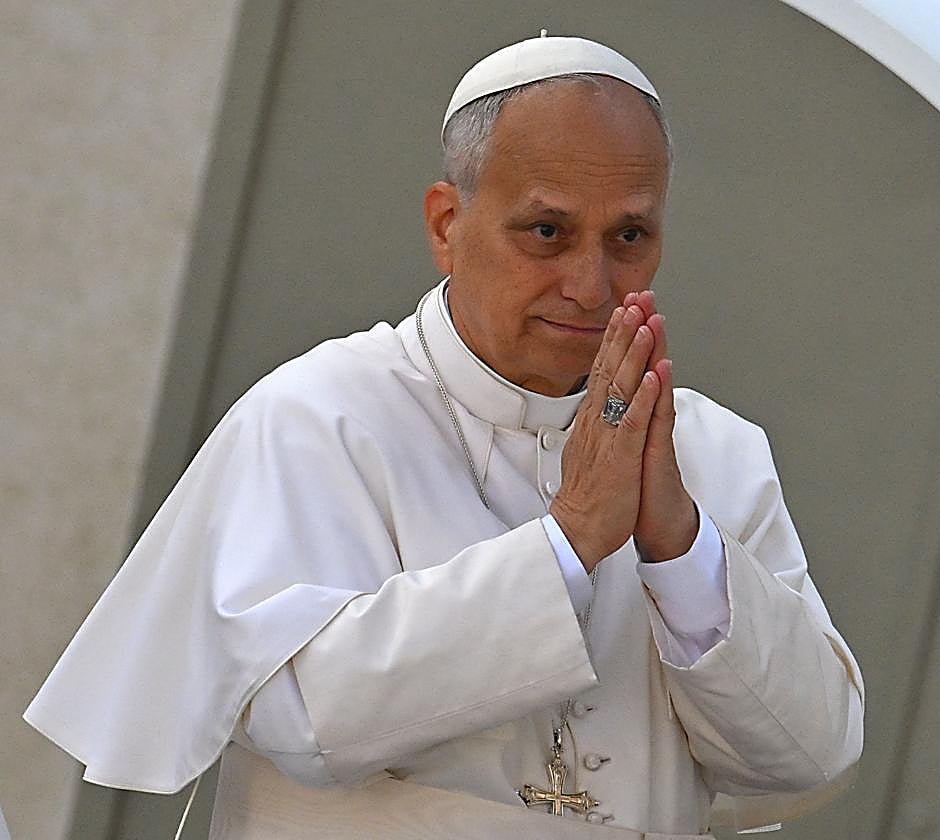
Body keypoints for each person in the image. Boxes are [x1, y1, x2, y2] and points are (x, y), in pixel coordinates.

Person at [25, 34, 863, 839]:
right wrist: (567, 544)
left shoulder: (713, 455)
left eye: (629, 237)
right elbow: (306, 715)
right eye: (548, 231)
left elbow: (812, 754)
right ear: (446, 224)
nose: (590, 284)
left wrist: (681, 549)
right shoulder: (322, 416)